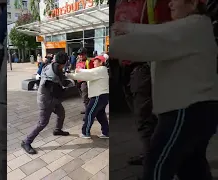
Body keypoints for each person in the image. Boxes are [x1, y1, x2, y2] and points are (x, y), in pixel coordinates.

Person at [110, 0, 218, 179]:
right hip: (196, 110)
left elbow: (149, 40)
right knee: (192, 168)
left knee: (157, 165)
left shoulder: (195, 25)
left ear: (192, 4)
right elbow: (158, 35)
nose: (170, 4)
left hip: (185, 111)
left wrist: (125, 30)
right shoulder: (196, 28)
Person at [114, 0, 172, 166]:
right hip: (124, 66)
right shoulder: (119, 3)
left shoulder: (152, 2)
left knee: (144, 118)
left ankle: (154, 165)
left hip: (143, 65)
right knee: (142, 117)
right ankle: (152, 153)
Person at [21, 52, 70, 154]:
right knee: (42, 123)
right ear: (63, 63)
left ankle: (57, 130)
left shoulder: (51, 65)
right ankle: (26, 141)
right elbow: (62, 84)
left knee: (61, 113)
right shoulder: (56, 71)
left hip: (52, 98)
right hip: (46, 100)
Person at [67, 55, 109, 138]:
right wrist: (71, 75)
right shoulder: (99, 71)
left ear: (101, 62)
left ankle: (85, 132)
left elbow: (86, 74)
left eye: (95, 61)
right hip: (102, 96)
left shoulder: (100, 70)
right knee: (101, 115)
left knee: (89, 113)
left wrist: (75, 72)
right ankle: (106, 132)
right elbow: (85, 76)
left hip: (98, 96)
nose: (93, 62)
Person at [76, 47, 94, 114]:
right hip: (79, 82)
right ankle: (87, 109)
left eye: (82, 54)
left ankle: (88, 113)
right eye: (79, 55)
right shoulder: (78, 62)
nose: (80, 56)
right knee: (84, 98)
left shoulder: (89, 62)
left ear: (86, 54)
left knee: (85, 98)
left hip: (85, 82)